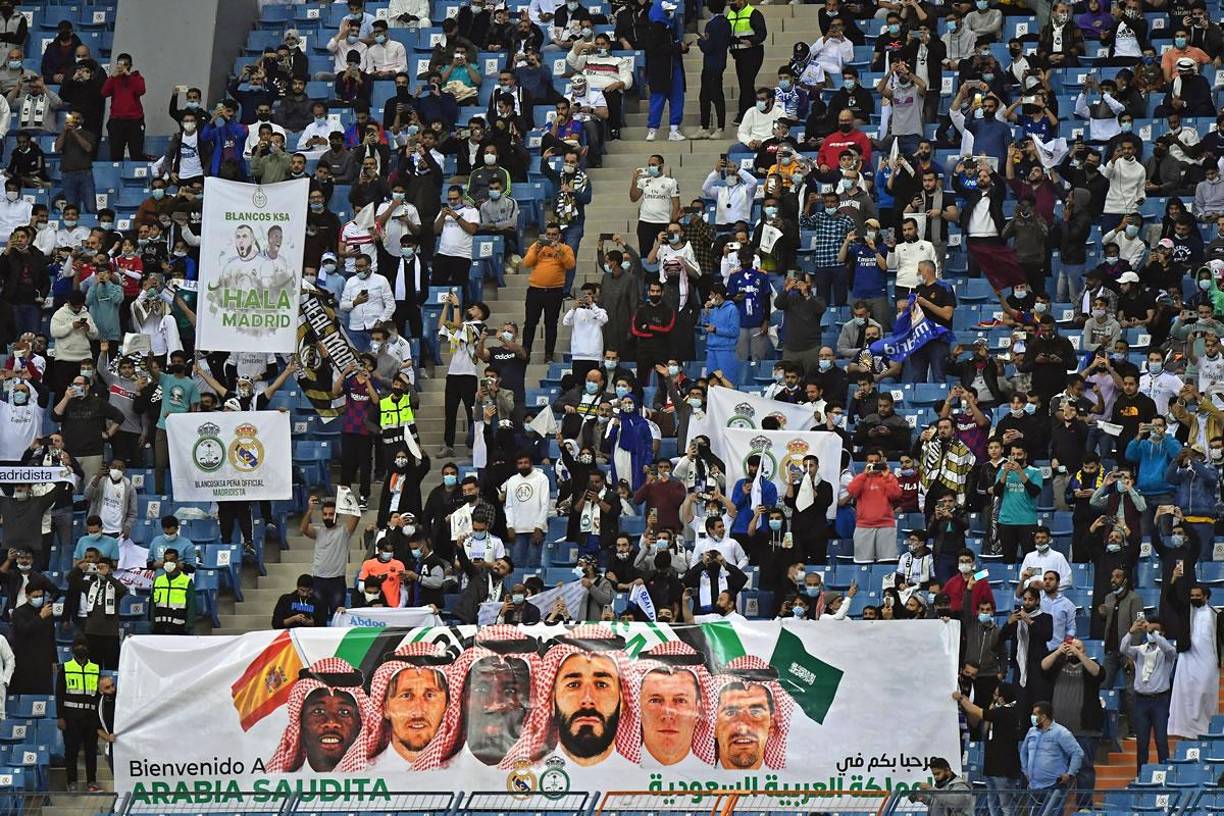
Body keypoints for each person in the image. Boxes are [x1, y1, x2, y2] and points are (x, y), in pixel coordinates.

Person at [266, 657, 371, 773]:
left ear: (359, 724)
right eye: (318, 711)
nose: (331, 723)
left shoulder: (380, 776)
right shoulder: (274, 781)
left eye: (344, 712)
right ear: (300, 722)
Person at [1168, 575, 1224, 738]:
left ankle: (1205, 729)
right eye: (1192, 596)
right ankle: (1185, 730)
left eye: (1197, 596)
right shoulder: (1185, 611)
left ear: (1205, 596)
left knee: (1204, 693)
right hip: (1188, 658)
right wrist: (1173, 580)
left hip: (1208, 660)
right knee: (1186, 693)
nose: (1194, 598)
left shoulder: (1217, 614)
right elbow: (1170, 598)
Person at [1120, 616, 1176, 772]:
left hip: (1160, 700)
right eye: (1149, 630)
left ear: (1162, 632)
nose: (1150, 633)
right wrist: (1131, 632)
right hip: (1141, 701)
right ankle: (1141, 775)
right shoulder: (1140, 650)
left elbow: (1170, 650)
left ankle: (1164, 773)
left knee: (1161, 739)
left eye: (1156, 630)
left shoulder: (1167, 652)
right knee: (1142, 741)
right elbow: (1123, 649)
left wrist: (1154, 633)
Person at [1020, 701, 1084, 816]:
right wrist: (1025, 770)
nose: (1032, 717)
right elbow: (1023, 752)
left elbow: (1077, 753)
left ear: (1044, 717)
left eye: (1035, 714)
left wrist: (1070, 773)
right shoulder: (1031, 731)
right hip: (1033, 786)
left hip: (1053, 786)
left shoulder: (1061, 732)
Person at [300, 496, 359, 618]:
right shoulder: (318, 531)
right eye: (325, 514)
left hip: (336, 581)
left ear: (337, 515)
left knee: (337, 616)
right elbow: (303, 528)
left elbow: (356, 515)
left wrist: (347, 496)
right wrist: (310, 509)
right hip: (318, 580)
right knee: (317, 616)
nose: (328, 517)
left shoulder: (344, 531)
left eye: (331, 514)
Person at [56, 640, 101, 792]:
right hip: (71, 717)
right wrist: (60, 716)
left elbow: (99, 694)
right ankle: (72, 781)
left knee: (90, 751)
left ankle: (92, 781)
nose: (81, 649)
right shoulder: (66, 668)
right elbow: (59, 694)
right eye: (78, 646)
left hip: (91, 716)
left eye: (84, 646)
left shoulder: (95, 668)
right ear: (73, 650)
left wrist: (98, 719)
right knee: (71, 751)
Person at [846, 450, 902, 563]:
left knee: (887, 562)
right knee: (863, 563)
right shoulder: (860, 478)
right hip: (863, 525)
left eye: (877, 461)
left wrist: (886, 477)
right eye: (871, 461)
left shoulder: (889, 478)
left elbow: (895, 495)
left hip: (886, 525)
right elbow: (852, 491)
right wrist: (864, 475)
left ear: (882, 462)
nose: (874, 463)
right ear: (866, 463)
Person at [906, 756, 976, 816]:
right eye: (934, 775)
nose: (935, 777)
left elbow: (953, 801)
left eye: (938, 773)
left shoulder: (961, 786)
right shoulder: (942, 786)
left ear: (948, 771)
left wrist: (931, 789)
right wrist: (922, 797)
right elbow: (938, 802)